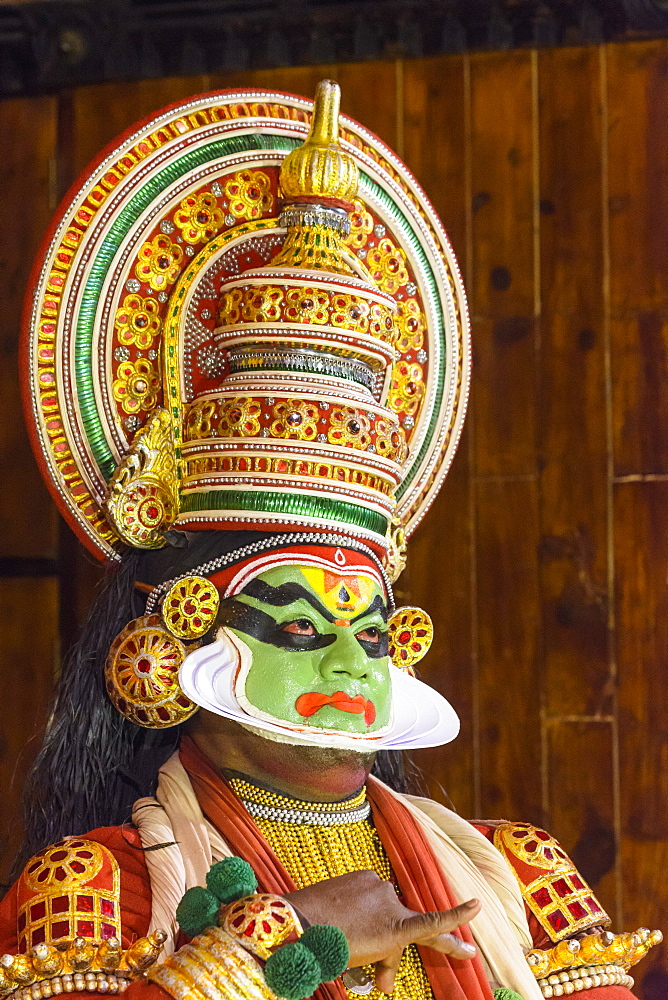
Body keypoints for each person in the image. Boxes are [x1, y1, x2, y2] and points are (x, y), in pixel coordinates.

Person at [3, 79, 659, 1000]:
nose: (358, 668)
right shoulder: (103, 892)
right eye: (305, 630)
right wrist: (288, 949)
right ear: (184, 640)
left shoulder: (518, 883)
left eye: (375, 634)